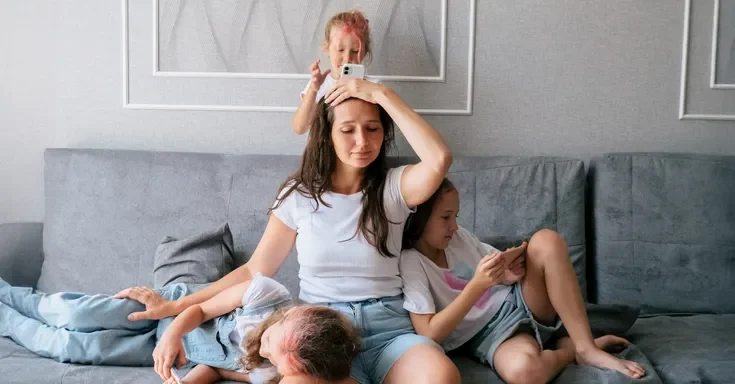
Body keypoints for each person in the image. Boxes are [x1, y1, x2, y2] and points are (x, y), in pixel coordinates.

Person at [132, 78, 458, 384]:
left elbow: (439, 158)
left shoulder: (395, 187)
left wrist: (380, 94)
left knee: (441, 376)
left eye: (372, 128)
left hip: (390, 328)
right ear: (326, 135)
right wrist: (178, 307)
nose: (362, 141)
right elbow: (253, 270)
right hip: (321, 334)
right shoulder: (299, 195)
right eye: (347, 130)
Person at [398, 178, 646, 384]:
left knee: (546, 241)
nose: (454, 226)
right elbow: (429, 333)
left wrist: (506, 276)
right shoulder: (411, 262)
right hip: (492, 336)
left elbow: (494, 269)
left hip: (520, 300)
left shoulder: (459, 237)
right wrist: (477, 286)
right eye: (445, 218)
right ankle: (570, 350)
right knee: (525, 373)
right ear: (419, 217)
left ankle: (586, 349)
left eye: (456, 216)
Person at [0, 273, 359, 384]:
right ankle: (9, 295)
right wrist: (171, 332)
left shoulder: (268, 376)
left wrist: (185, 382)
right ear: (289, 316)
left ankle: (6, 320)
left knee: (72, 349)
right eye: (270, 337)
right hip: (169, 315)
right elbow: (201, 308)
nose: (262, 349)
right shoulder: (267, 295)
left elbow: (218, 370)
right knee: (70, 313)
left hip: (171, 354)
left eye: (272, 357)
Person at [292, 9, 372, 135]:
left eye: (355, 51)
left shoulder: (372, 87)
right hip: (324, 151)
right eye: (340, 50)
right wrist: (313, 89)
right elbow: (300, 128)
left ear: (365, 52)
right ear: (327, 48)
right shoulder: (319, 85)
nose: (347, 59)